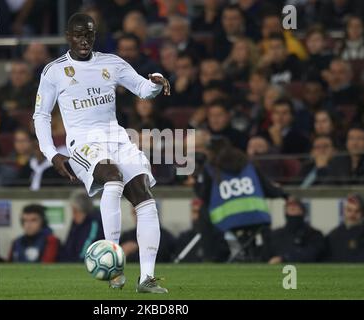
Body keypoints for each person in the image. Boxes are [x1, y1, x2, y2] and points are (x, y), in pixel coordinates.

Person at [33, 13, 171, 293]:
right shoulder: (54, 71)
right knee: (113, 177)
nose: (84, 40)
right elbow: (41, 115)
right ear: (68, 36)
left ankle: (146, 278)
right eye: (78, 35)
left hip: (116, 137)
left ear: (95, 36)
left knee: (145, 196)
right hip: (83, 142)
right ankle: (115, 268)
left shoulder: (112, 63)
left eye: (89, 35)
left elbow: (143, 90)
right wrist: (51, 153)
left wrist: (155, 83)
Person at [263, 197, 325, 263]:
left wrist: (284, 258)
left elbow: (313, 253)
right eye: (289, 206)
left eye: (295, 206)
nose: (292, 208)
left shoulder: (314, 234)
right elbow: (265, 256)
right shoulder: (275, 235)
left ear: (302, 211)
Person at [174, 198, 229, 263]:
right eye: (194, 212)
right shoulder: (184, 238)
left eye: (199, 212)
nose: (197, 216)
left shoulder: (218, 237)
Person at [58, 190, 104, 262]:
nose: (73, 215)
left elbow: (87, 249)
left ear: (82, 209)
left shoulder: (95, 222)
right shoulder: (76, 223)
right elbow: (68, 246)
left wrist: (75, 262)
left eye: (75, 211)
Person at [325, 194, 364, 262]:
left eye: (357, 211)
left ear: (363, 213)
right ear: (344, 211)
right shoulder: (334, 235)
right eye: (349, 210)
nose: (352, 215)